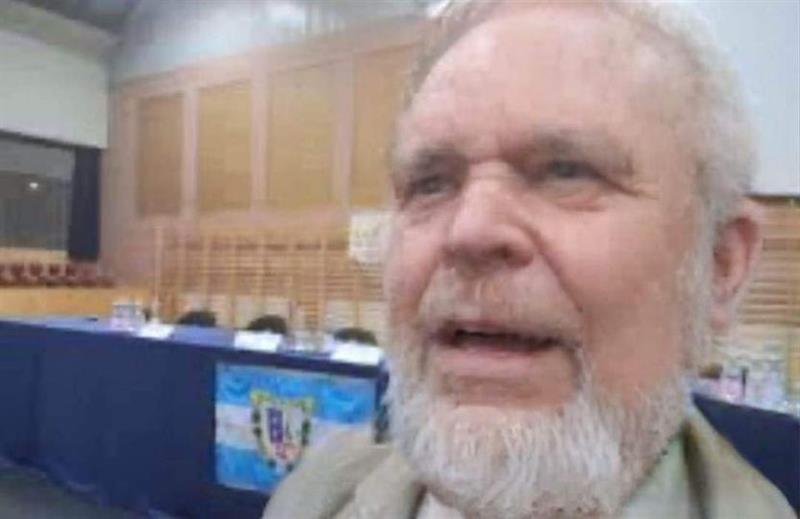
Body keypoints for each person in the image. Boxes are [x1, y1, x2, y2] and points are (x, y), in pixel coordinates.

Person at [263, 0, 795, 517]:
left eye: (566, 172)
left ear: (720, 264)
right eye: (430, 183)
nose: (469, 231)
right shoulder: (314, 496)